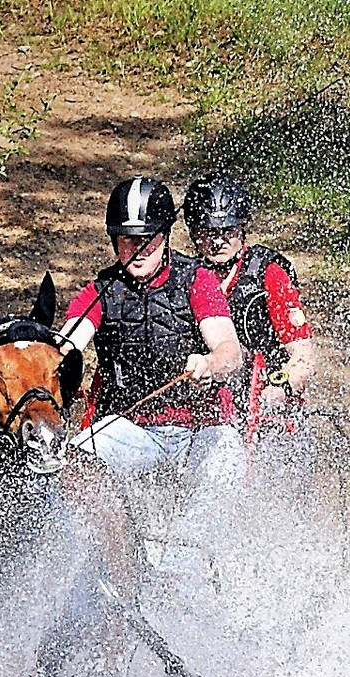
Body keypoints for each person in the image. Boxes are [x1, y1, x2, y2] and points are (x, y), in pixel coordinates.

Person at [61, 177, 245, 514]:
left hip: (202, 430)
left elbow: (229, 352)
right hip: (133, 431)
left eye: (148, 240)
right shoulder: (98, 292)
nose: (138, 250)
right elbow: (67, 344)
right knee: (74, 467)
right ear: (115, 241)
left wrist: (209, 364)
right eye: (127, 241)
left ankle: (185, 564)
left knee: (227, 462)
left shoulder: (197, 280)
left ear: (165, 237)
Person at [182, 174, 317, 449]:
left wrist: (279, 388)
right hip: (212, 409)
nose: (217, 241)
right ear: (195, 233)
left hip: (274, 412)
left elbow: (304, 356)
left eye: (227, 231)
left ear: (241, 228)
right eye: (208, 232)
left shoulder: (269, 273)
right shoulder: (187, 276)